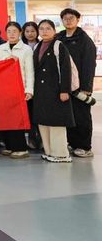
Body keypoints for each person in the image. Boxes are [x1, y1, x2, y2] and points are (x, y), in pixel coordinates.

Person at [33, 19, 75, 163]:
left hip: (56, 90)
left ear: (54, 31)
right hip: (41, 91)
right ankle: (49, 152)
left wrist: (65, 90)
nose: (44, 31)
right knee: (44, 121)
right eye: (41, 29)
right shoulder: (38, 46)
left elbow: (66, 69)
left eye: (48, 28)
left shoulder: (59, 46)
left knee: (57, 123)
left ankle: (61, 154)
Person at [57, 8, 97, 158]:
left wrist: (86, 87)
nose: (68, 21)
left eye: (71, 18)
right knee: (68, 115)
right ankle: (72, 143)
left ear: (78, 19)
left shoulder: (84, 40)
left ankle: (84, 146)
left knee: (82, 116)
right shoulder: (59, 37)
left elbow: (89, 65)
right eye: (65, 18)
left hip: (80, 86)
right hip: (64, 85)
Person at [0, 22, 35, 159]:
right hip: (4, 89)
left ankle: (20, 148)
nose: (11, 34)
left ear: (20, 33)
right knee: (6, 119)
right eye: (9, 31)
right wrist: (5, 60)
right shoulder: (0, 48)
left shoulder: (26, 49)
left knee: (17, 119)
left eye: (14, 31)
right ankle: (9, 146)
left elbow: (30, 71)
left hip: (20, 88)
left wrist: (29, 90)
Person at [20, 20, 41, 148]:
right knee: (27, 112)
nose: (30, 33)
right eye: (27, 31)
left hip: (39, 83)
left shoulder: (41, 45)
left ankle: (38, 139)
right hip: (25, 84)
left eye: (33, 31)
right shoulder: (20, 46)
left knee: (37, 112)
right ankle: (29, 139)